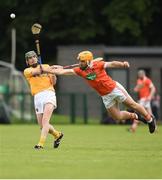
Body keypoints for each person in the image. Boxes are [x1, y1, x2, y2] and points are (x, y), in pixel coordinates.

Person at [42, 50, 156, 134]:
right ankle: (137, 117)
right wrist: (44, 69)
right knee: (117, 117)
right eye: (79, 61)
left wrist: (122, 64)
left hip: (114, 89)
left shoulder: (98, 65)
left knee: (132, 104)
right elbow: (62, 72)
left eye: (82, 61)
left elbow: (112, 63)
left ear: (88, 61)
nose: (80, 63)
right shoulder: (80, 71)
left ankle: (149, 119)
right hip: (105, 95)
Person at [24, 50, 63, 149]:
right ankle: (57, 135)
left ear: (37, 58)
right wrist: (47, 69)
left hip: (49, 94)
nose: (32, 59)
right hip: (37, 97)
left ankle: (40, 144)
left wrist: (53, 73)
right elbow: (37, 71)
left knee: (45, 122)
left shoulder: (46, 66)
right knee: (42, 126)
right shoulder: (27, 71)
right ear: (27, 62)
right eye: (29, 59)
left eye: (33, 57)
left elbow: (53, 82)